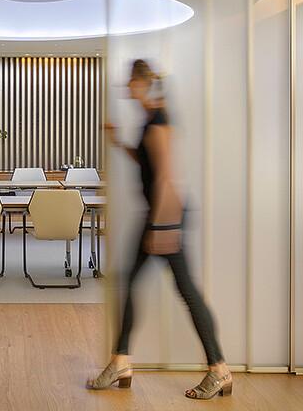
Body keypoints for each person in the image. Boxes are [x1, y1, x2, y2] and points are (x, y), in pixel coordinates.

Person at [86, 59, 231, 399]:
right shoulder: (151, 117)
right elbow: (148, 162)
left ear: (142, 83)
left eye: (130, 81)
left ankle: (219, 370)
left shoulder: (158, 120)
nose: (126, 86)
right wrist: (120, 142)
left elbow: (167, 176)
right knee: (133, 281)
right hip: (161, 215)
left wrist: (161, 227)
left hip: (166, 215)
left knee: (186, 292)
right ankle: (121, 361)